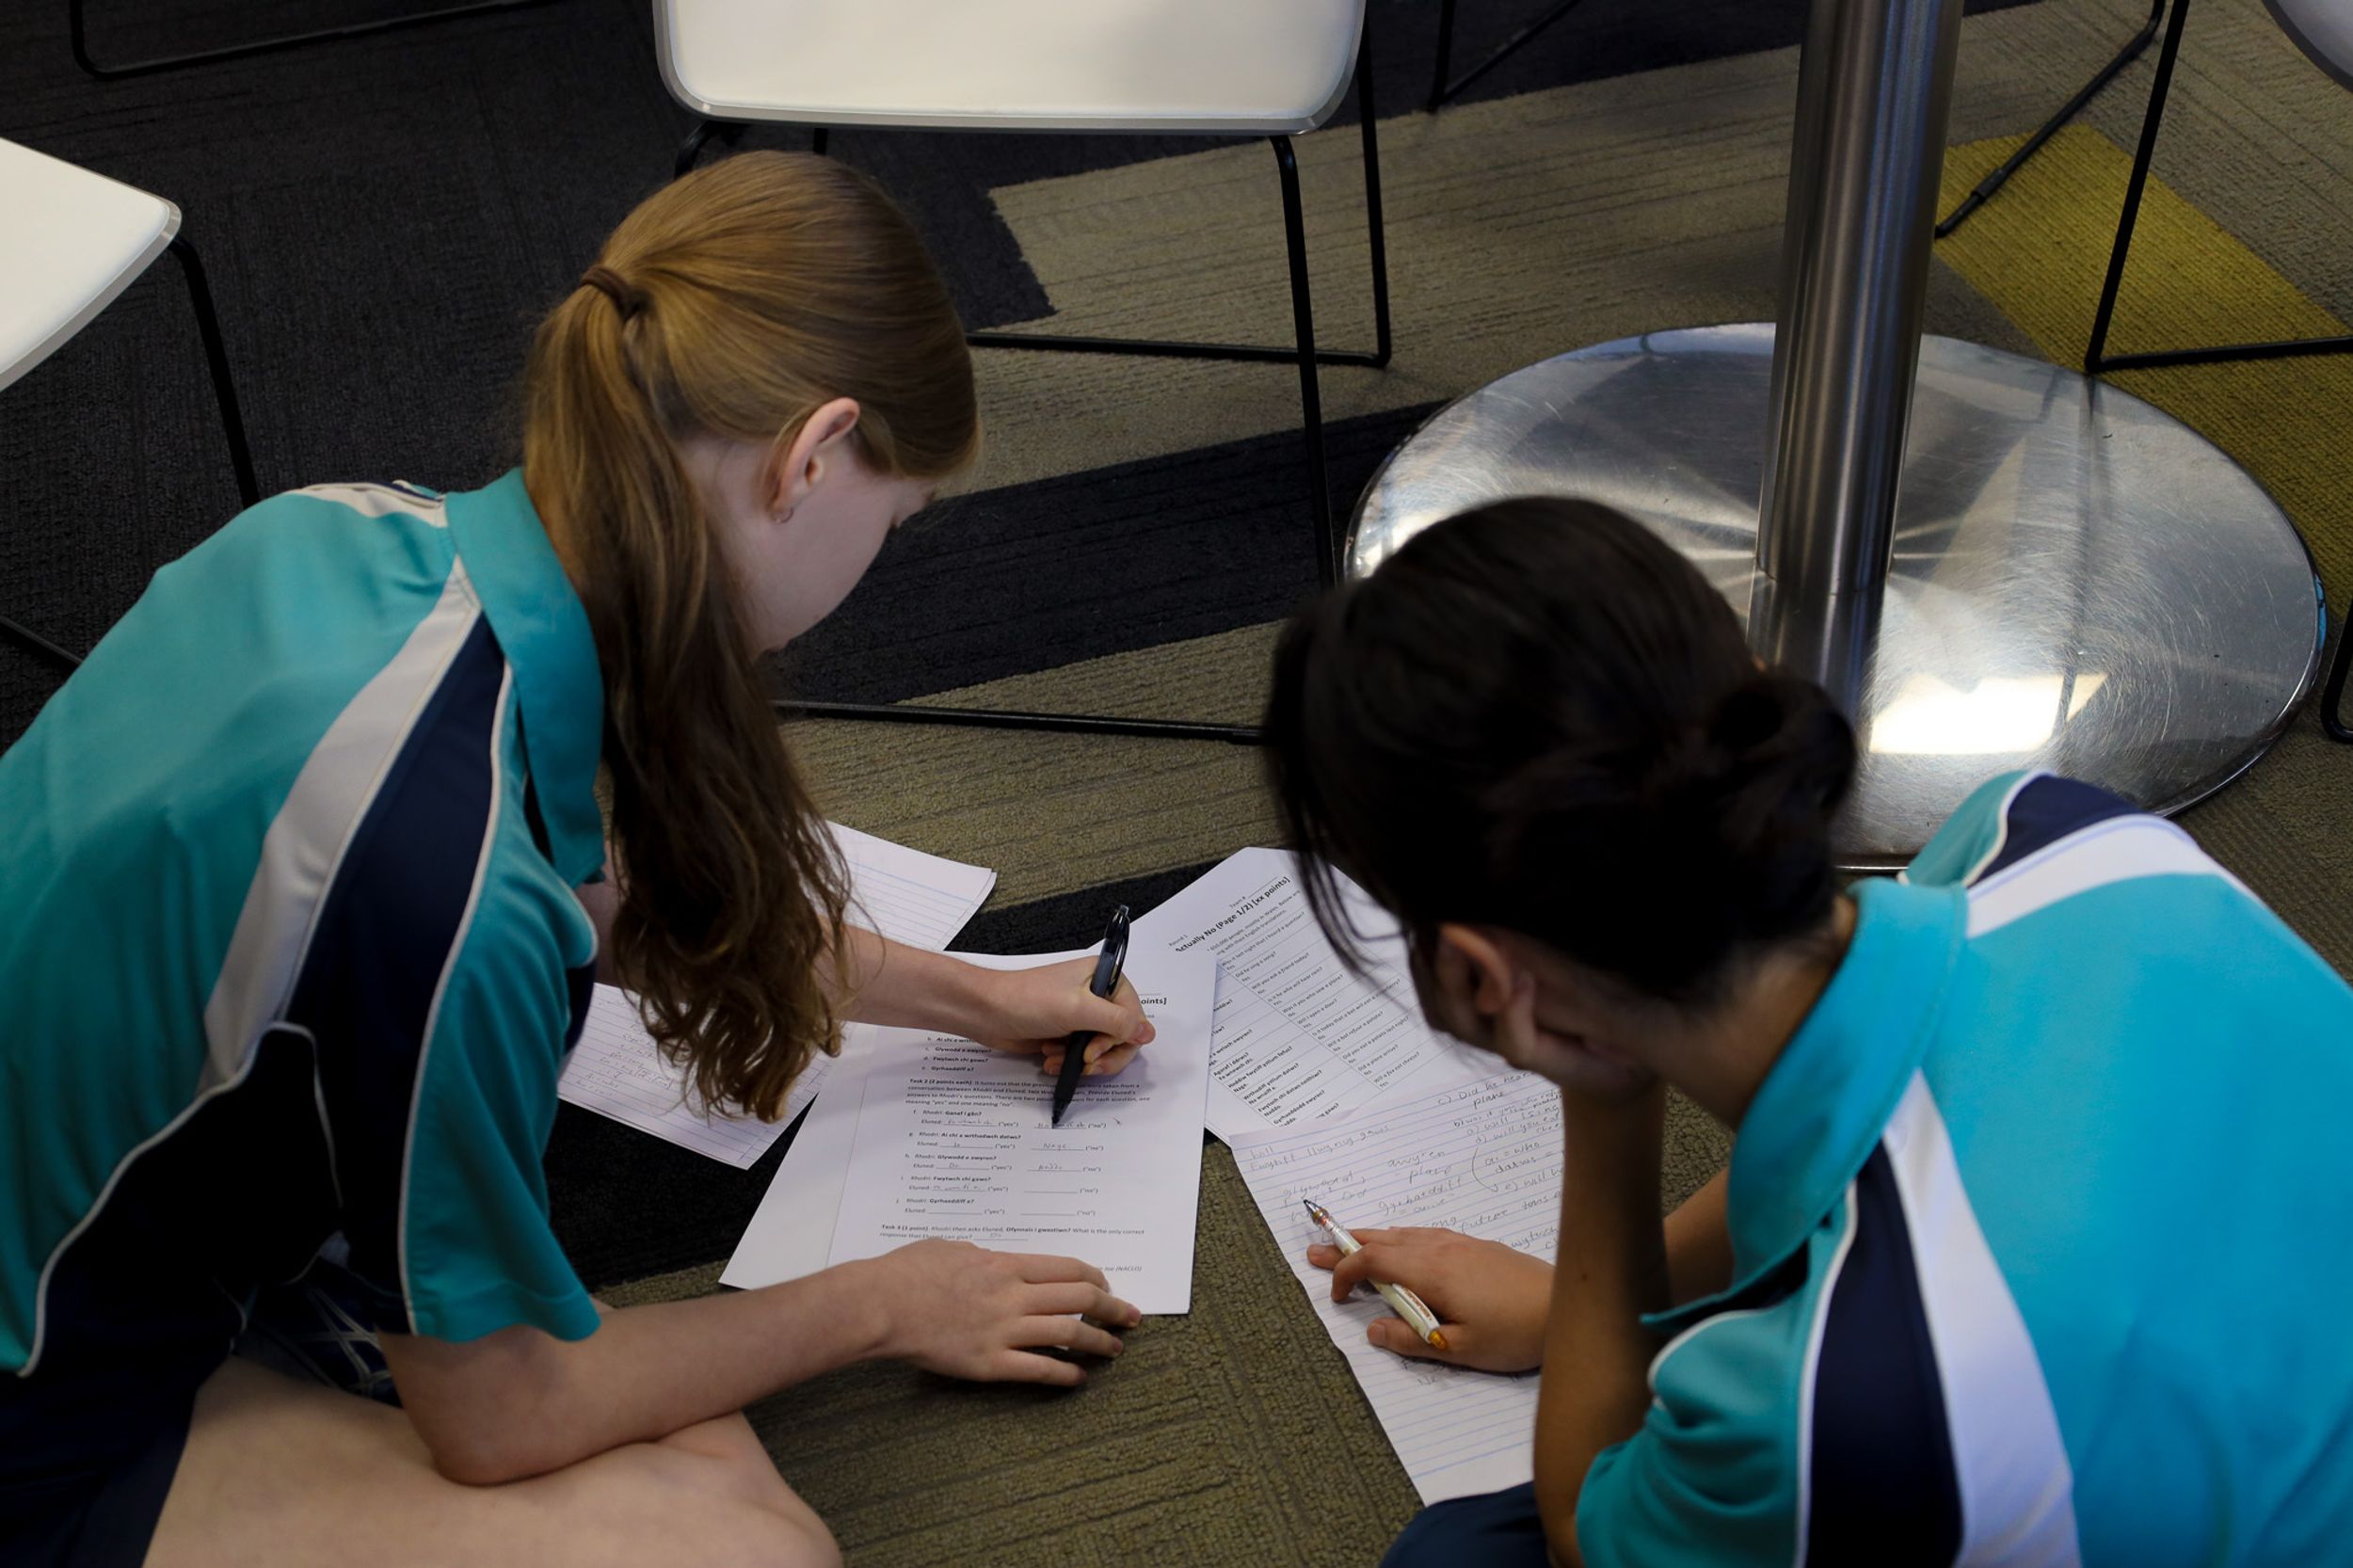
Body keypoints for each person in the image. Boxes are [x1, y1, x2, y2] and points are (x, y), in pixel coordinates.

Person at [0, 152, 1158, 1568]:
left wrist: (977, 996)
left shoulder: (347, 525)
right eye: (895, 516)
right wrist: (886, 1300)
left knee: (705, 1451)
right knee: (757, 1551)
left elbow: (605, 904)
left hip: (92, 1211)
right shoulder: (444, 892)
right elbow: (502, 1420)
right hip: (44, 1408)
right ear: (813, 456)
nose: (878, 560)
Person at [1261, 496, 2353, 1567]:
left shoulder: (1825, 1407)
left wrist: (1604, 1096)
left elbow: (1583, 1532)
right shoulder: (2056, 833)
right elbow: (1871, 1115)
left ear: (1480, 975)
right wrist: (1561, 1309)